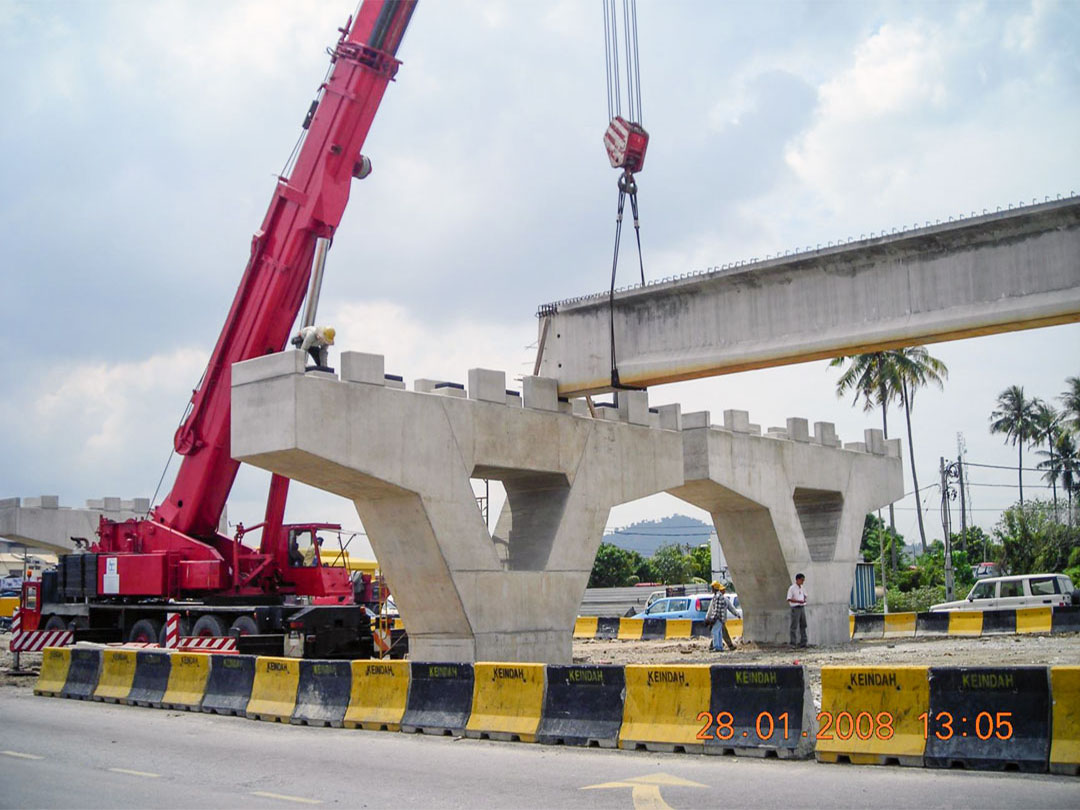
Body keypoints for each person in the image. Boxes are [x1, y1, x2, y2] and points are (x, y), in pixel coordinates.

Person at [706, 581, 734, 652]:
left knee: (715, 632)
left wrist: (712, 619)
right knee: (719, 633)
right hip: (721, 618)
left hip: (718, 618)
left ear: (714, 588)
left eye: (712, 587)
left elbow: (716, 609)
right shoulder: (720, 596)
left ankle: (717, 647)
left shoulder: (717, 596)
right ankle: (720, 647)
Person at [787, 572, 808, 647]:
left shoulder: (802, 587)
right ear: (797, 580)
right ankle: (793, 642)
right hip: (795, 608)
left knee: (803, 625)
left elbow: (805, 595)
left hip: (802, 607)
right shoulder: (792, 588)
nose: (802, 582)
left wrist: (804, 599)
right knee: (794, 626)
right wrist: (798, 601)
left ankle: (803, 641)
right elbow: (789, 599)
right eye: (801, 580)